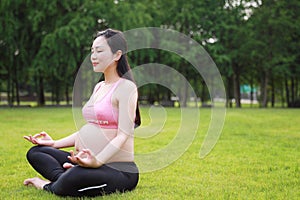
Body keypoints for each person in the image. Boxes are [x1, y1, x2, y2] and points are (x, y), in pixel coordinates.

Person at [23, 28, 141, 197]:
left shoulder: (126, 88)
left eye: (99, 51)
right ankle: (68, 177)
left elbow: (123, 135)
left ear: (117, 55)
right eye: (92, 51)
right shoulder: (99, 86)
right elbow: (88, 130)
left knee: (72, 179)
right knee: (37, 152)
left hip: (118, 169)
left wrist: (97, 161)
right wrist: (54, 143)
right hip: (87, 163)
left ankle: (49, 185)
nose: (93, 56)